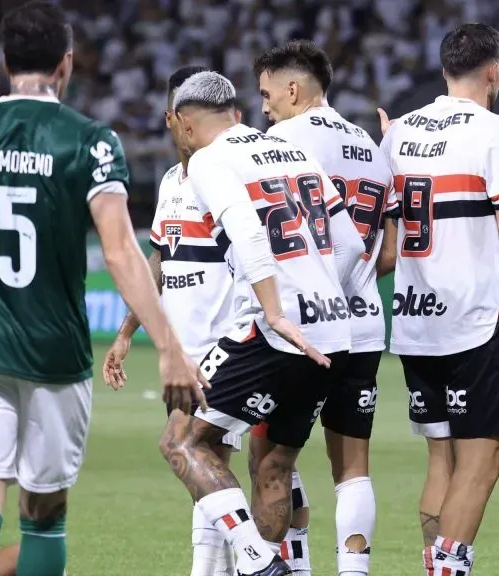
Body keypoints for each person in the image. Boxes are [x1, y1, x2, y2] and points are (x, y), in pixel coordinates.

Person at [0, 4, 207, 575]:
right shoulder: (89, 142)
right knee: (43, 518)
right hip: (55, 354)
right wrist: (168, 347)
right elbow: (120, 251)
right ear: (66, 64)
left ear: (6, 63)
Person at [157, 70, 365, 576]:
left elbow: (249, 235)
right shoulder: (293, 151)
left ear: (185, 123)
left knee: (182, 440)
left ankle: (255, 560)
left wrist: (275, 310)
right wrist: (316, 295)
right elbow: (351, 243)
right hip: (330, 331)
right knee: (274, 465)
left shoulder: (209, 160)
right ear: (235, 112)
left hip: (274, 330)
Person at [380, 22, 499, 576]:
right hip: (471, 320)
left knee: (440, 459)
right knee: (483, 456)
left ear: (446, 69)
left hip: (414, 322)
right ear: (494, 71)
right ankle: (449, 570)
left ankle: (435, 565)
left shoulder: (399, 131)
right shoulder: (494, 129)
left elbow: (388, 241)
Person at [252, 39, 397, 576]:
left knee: (271, 459)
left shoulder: (282, 142)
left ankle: (291, 567)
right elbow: (387, 255)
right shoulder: (369, 146)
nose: (264, 106)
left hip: (302, 327)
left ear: (293, 89)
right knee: (352, 468)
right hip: (364, 323)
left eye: (267, 93)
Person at [100, 65, 241, 576]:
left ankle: (250, 559)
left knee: (195, 451)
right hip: (183, 353)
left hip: (226, 347)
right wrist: (125, 332)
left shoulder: (226, 176)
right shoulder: (170, 182)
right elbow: (159, 264)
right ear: (172, 117)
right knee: (205, 466)